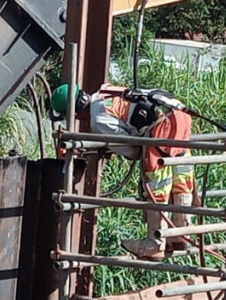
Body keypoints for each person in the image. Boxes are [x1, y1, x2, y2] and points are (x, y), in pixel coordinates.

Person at [50, 83, 196, 260]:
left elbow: (131, 149)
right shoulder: (105, 89)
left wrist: (111, 147)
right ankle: (181, 234)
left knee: (157, 188)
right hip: (180, 117)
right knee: (182, 181)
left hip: (161, 129)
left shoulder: (98, 120)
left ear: (75, 110)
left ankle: (154, 244)